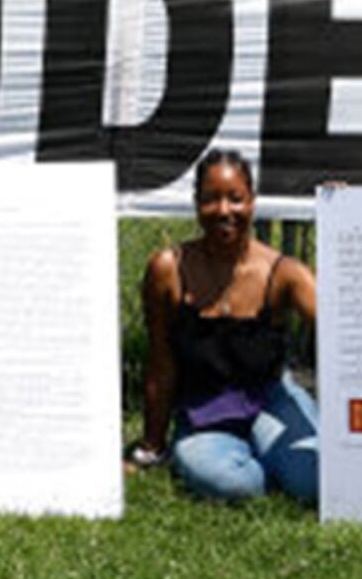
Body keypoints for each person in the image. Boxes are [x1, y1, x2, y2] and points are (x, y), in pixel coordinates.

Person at [134, 150, 320, 505]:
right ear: (195, 203)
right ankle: (248, 458)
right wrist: (151, 447)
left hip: (272, 399)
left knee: (313, 482)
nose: (224, 211)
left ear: (252, 201)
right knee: (233, 486)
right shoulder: (168, 269)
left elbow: (346, 328)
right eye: (210, 199)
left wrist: (342, 225)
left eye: (235, 198)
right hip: (205, 410)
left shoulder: (284, 273)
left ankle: (275, 455)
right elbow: (161, 362)